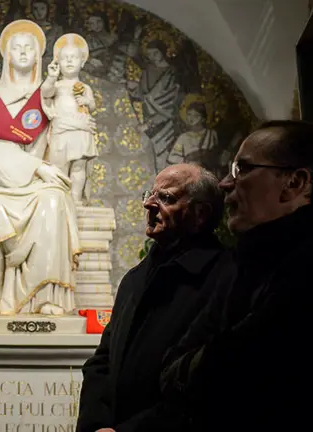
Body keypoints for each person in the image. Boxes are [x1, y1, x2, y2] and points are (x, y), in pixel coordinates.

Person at [161, 120, 313, 431]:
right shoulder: (242, 264)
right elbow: (172, 369)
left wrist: (204, 367)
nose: (226, 183)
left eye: (242, 169)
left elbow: (244, 370)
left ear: (295, 183)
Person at [77, 163, 234, 432]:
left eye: (166, 198)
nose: (149, 204)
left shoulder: (226, 276)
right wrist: (96, 424)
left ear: (200, 214)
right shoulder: (134, 279)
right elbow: (102, 360)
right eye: (150, 194)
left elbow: (212, 383)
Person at [0, 20, 81, 316]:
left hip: (38, 187)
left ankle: (45, 296)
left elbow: (62, 142)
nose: (23, 52)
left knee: (54, 201)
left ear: (39, 55)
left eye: (30, 48)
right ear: (7, 55)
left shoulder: (48, 96)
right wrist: (37, 167)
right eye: (17, 47)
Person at [41, 33, 97, 206]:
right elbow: (45, 93)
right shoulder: (57, 85)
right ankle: (60, 200)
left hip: (80, 131)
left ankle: (75, 199)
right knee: (60, 167)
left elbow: (93, 106)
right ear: (58, 63)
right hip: (62, 132)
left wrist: (87, 101)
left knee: (79, 166)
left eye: (74, 58)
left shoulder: (85, 87)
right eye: (65, 58)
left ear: (82, 62)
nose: (70, 61)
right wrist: (51, 77)